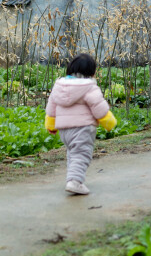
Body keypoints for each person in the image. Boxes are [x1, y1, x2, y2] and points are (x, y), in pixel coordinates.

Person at [44, 53, 117, 195]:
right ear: (92, 72)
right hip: (83, 128)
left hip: (64, 130)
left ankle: (72, 179)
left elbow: (51, 108)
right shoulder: (89, 87)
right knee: (82, 154)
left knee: (73, 153)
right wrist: (109, 123)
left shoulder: (59, 86)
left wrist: (51, 125)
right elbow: (99, 107)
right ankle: (75, 181)